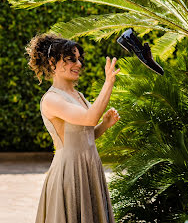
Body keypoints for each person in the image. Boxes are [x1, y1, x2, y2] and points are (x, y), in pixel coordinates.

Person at [26, 33, 120, 223]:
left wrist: (105, 125)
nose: (78, 64)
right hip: (69, 174)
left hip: (90, 169)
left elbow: (85, 136)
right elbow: (89, 118)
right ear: (52, 63)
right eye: (71, 59)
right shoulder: (52, 99)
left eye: (79, 59)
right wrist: (108, 82)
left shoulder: (78, 95)